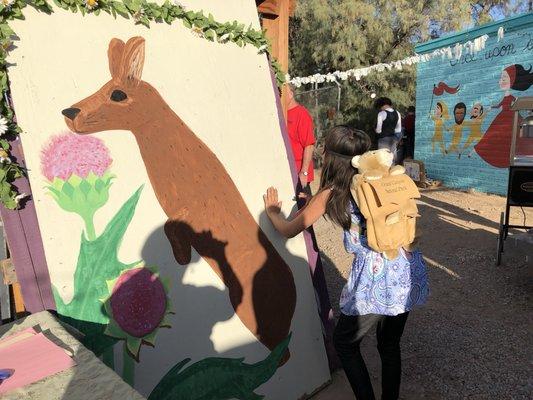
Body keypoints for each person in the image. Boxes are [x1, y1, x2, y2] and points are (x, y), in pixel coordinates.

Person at [263, 126, 429, 400]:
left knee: (345, 343)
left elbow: (289, 229)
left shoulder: (331, 192)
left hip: (375, 279)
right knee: (389, 345)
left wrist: (272, 212)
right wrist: (314, 202)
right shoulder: (378, 179)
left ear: (329, 158)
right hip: (406, 267)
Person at [474, 64, 533, 168]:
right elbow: (500, 104)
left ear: (513, 79)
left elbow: (517, 105)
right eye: (501, 78)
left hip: (510, 118)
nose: (500, 81)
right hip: (503, 118)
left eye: (504, 78)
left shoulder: (512, 97)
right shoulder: (506, 96)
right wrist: (492, 107)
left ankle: (507, 159)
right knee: (493, 137)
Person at [286, 85, 316, 197]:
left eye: (284, 92)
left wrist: (304, 172)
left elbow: (309, 145)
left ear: (291, 94)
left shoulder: (302, 114)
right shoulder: (282, 114)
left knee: (303, 208)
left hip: (299, 172)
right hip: (287, 169)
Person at [375, 97, 402, 164]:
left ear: (381, 105)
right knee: (392, 159)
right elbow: (398, 129)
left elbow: (378, 130)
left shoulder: (381, 113)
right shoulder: (397, 113)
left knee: (383, 160)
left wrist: (375, 130)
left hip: (383, 139)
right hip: (393, 139)